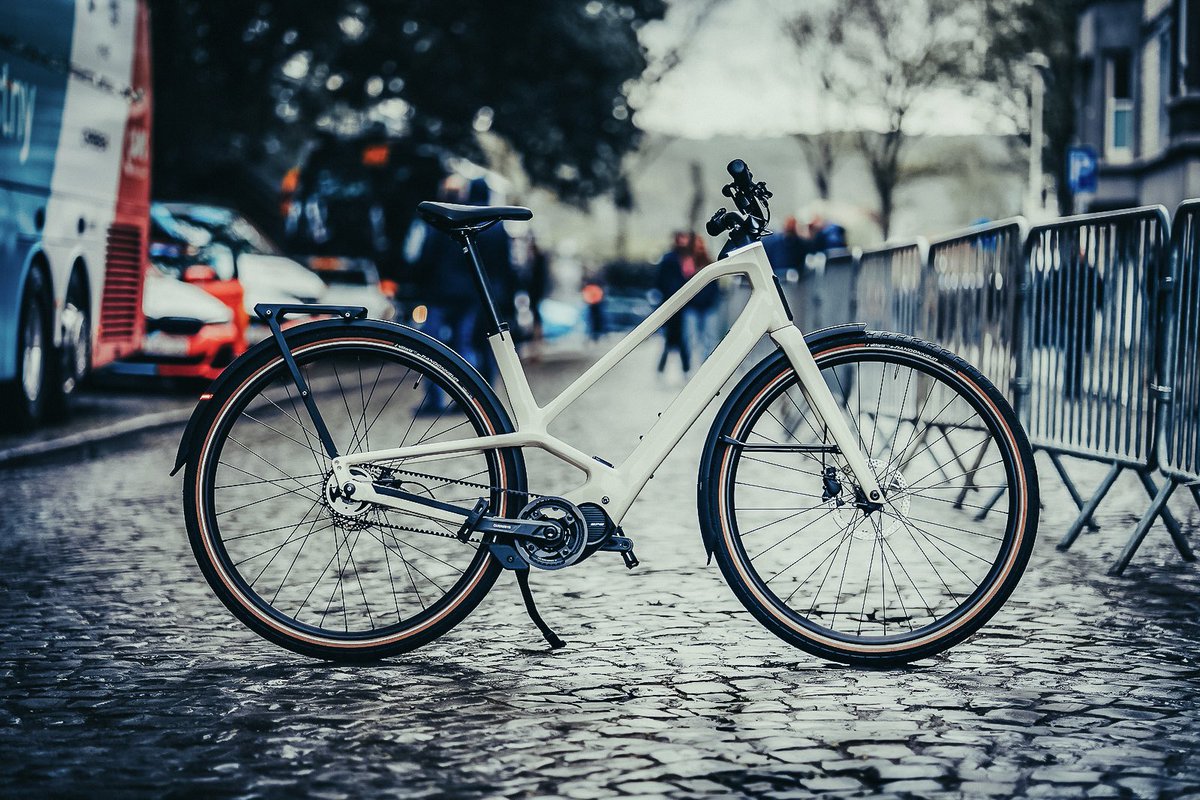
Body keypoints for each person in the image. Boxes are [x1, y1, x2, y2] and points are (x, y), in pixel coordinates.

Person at [656, 231, 694, 375]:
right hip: (671, 303)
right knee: (671, 339)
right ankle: (671, 369)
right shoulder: (671, 259)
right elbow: (660, 280)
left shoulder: (687, 258)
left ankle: (685, 368)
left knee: (682, 339)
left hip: (683, 304)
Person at [683, 234, 721, 363]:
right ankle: (691, 364)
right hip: (692, 306)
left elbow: (715, 285)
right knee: (690, 338)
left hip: (708, 307)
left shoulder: (709, 262)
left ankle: (706, 364)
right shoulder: (688, 264)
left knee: (709, 338)